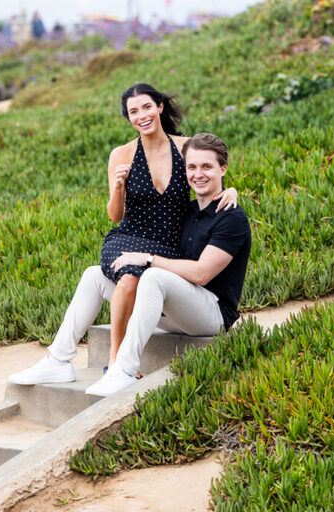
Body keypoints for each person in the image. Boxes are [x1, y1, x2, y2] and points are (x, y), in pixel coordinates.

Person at [8, 85, 238, 386]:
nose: (141, 115)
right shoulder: (122, 154)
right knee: (111, 276)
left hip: (169, 246)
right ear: (128, 117)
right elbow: (115, 215)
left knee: (130, 278)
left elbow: (207, 175)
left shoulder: (184, 147)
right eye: (133, 111)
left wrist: (232, 189)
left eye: (146, 107)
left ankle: (118, 364)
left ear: (159, 107)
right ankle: (59, 360)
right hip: (129, 237)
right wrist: (118, 188)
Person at [85, 133, 251, 396]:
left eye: (207, 167)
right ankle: (58, 357)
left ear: (223, 168)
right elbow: (125, 214)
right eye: (192, 167)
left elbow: (201, 274)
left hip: (212, 315)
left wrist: (150, 260)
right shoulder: (190, 210)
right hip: (178, 310)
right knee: (94, 275)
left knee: (152, 277)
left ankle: (124, 370)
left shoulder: (232, 218)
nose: (198, 174)